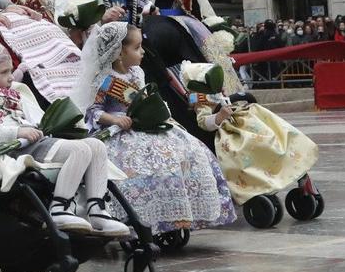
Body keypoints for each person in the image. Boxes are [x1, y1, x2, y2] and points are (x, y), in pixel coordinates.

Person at [0, 35, 123, 234]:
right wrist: (16, 131)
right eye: (4, 72)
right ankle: (59, 208)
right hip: (19, 150)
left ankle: (98, 210)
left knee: (97, 146)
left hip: (39, 143)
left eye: (11, 71)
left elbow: (38, 119)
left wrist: (49, 125)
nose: (11, 77)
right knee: (80, 149)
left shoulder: (16, 94)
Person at [75, 23, 235, 234]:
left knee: (189, 149)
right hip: (120, 131)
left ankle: (178, 213)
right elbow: (92, 111)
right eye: (137, 47)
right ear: (120, 52)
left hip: (146, 125)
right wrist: (113, 120)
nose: (142, 52)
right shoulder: (105, 81)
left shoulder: (137, 73)